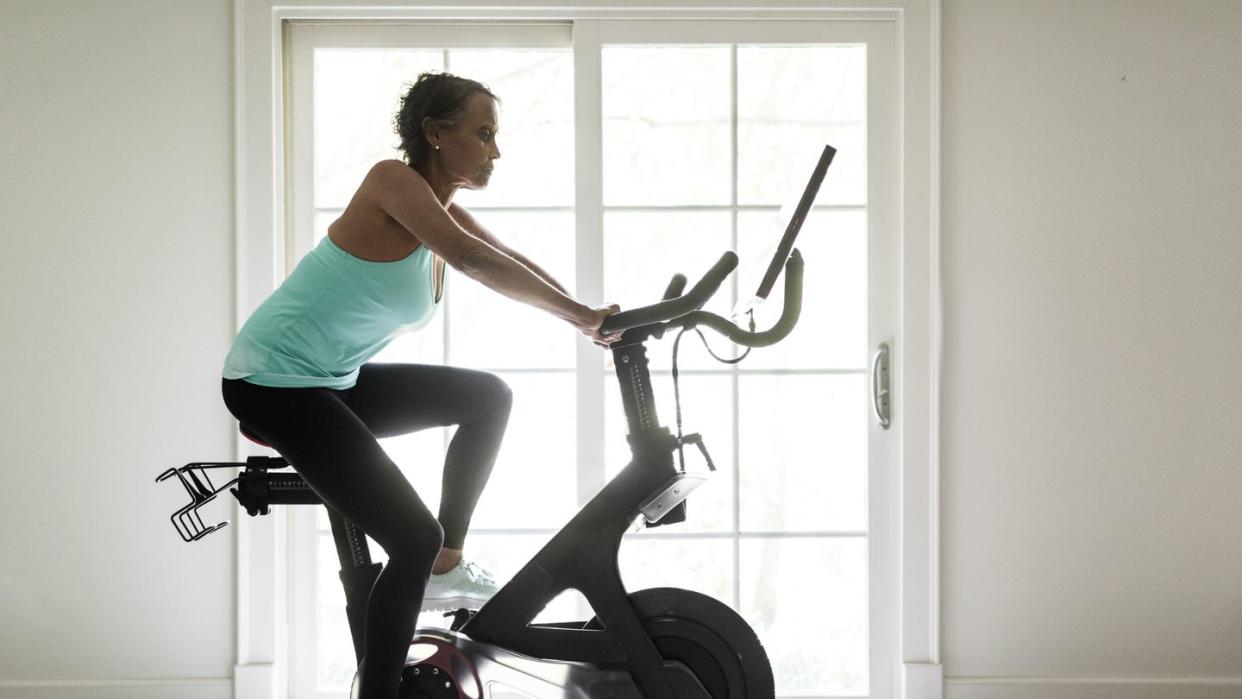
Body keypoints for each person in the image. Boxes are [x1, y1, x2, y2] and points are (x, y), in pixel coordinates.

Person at [219, 72, 621, 698]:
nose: (495, 150)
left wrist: (591, 317)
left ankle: (445, 563)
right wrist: (582, 319)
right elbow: (475, 262)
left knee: (487, 397)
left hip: (329, 381)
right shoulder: (391, 182)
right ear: (435, 134)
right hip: (271, 382)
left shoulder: (442, 213)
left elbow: (506, 257)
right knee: (410, 535)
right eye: (483, 133)